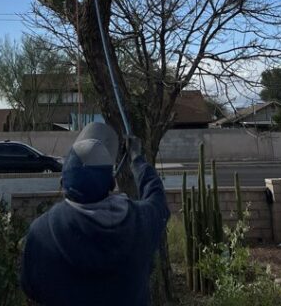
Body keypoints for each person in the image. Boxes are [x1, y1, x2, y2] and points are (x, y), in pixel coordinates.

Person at [20, 122, 169, 306]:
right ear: (112, 183)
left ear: (63, 182)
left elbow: (32, 290)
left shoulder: (41, 233)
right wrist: (137, 159)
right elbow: (157, 199)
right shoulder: (140, 222)